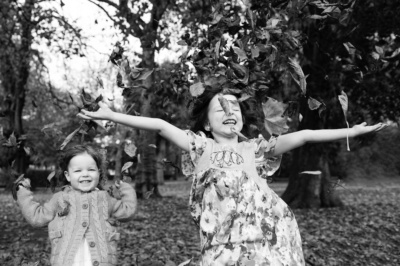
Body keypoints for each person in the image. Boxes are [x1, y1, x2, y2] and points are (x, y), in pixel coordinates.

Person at [77, 88, 386, 265]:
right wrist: (111, 114)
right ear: (207, 124)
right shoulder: (200, 146)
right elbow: (159, 124)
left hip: (261, 239)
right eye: (219, 108)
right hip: (220, 243)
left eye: (234, 107)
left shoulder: (257, 149)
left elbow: (304, 135)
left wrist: (351, 131)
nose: (229, 111)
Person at [15, 144, 137, 266]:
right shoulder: (60, 199)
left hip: (100, 260)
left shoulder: (105, 199)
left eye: (91, 169)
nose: (85, 174)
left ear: (98, 173)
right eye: (78, 170)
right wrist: (23, 193)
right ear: (68, 175)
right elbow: (37, 217)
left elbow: (127, 212)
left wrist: (126, 189)